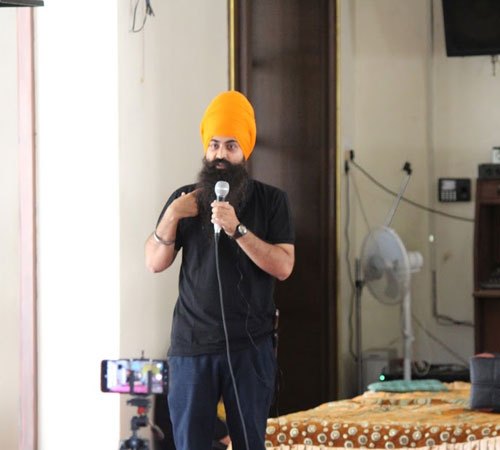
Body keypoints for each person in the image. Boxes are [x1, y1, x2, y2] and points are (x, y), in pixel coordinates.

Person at [145, 90, 295, 450]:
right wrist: (171, 216)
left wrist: (237, 230)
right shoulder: (185, 199)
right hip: (192, 347)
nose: (220, 155)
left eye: (231, 146)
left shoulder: (272, 201)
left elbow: (284, 266)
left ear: (245, 151)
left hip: (250, 348)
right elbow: (154, 261)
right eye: (214, 145)